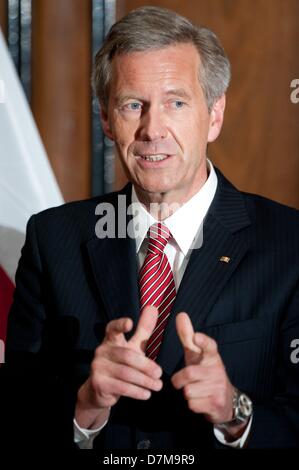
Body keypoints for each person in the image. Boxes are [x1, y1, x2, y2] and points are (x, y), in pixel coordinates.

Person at [3, 6, 299, 450]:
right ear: (106, 119)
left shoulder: (289, 243)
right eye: (132, 105)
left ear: (214, 115)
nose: (152, 129)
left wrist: (234, 411)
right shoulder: (53, 239)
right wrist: (86, 405)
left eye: (176, 102)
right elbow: (15, 416)